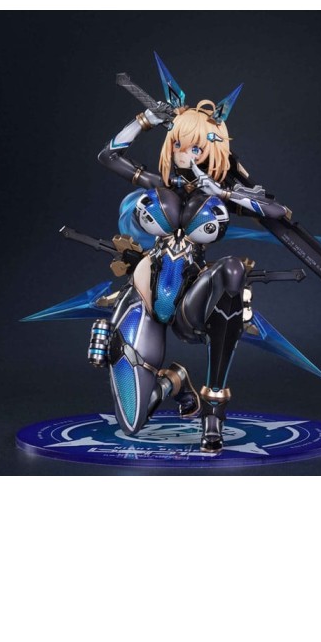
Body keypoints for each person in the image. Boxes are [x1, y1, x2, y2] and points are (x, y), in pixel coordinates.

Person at [97, 94, 288, 453]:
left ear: (212, 151)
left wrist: (224, 191)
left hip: (191, 303)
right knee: (132, 420)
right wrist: (145, 120)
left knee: (232, 269)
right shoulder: (159, 183)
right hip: (147, 298)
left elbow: (278, 211)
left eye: (196, 148)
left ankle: (213, 412)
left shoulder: (220, 194)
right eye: (179, 146)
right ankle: (175, 381)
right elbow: (108, 156)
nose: (185, 155)